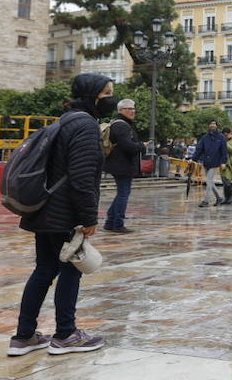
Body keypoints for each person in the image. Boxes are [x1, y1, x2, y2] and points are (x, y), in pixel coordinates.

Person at [8, 73, 113, 356]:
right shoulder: (86, 126)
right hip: (65, 213)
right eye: (107, 93)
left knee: (44, 270)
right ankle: (66, 334)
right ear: (94, 96)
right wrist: (89, 217)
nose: (110, 99)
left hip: (45, 209)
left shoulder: (64, 120)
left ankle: (24, 336)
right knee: (70, 270)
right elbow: (81, 176)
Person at [103, 98, 141, 233]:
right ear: (121, 110)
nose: (133, 111)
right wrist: (141, 146)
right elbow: (128, 146)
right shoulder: (122, 125)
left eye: (133, 108)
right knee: (123, 194)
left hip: (119, 164)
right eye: (129, 109)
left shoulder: (120, 124)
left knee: (122, 193)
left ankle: (109, 222)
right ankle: (118, 224)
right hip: (122, 165)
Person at [194, 120, 228, 208]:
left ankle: (206, 201)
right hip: (206, 162)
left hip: (215, 161)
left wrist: (223, 162)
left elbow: (224, 151)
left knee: (208, 180)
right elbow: (199, 149)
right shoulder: (205, 137)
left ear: (217, 126)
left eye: (214, 124)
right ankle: (219, 197)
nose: (212, 125)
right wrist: (193, 159)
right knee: (210, 181)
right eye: (211, 123)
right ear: (209, 125)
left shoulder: (221, 137)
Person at [221, 126, 232, 207]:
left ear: (229, 134)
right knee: (224, 180)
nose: (225, 137)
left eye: (226, 135)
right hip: (223, 162)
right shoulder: (223, 140)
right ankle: (227, 197)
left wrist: (226, 144)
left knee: (228, 181)